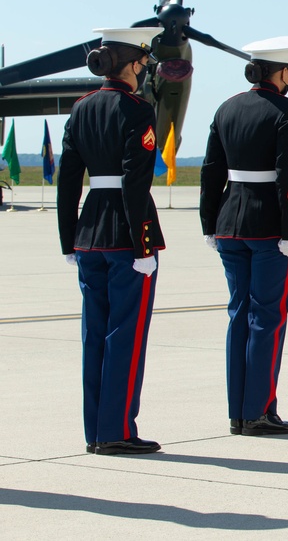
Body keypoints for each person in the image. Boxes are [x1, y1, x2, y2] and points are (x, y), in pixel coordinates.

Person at [57, 26, 164, 455]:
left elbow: (68, 181)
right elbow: (135, 181)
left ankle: (96, 431)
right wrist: (141, 245)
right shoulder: (138, 110)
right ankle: (117, 430)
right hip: (125, 234)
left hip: (89, 233)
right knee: (126, 334)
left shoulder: (81, 108)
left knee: (94, 333)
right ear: (133, 63)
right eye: (144, 64)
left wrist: (69, 240)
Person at [200, 36, 288, 436]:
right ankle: (259, 411)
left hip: (230, 221)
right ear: (279, 71)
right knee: (267, 318)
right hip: (268, 226)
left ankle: (238, 412)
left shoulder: (227, 108)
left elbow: (211, 170)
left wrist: (209, 223)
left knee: (238, 315)